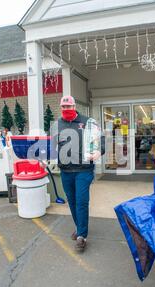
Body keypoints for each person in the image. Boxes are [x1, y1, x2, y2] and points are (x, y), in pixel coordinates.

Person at [52, 95, 102, 252]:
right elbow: (52, 145)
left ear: (74, 107)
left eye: (69, 106)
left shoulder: (88, 122)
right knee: (72, 201)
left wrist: (98, 153)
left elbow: (101, 142)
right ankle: (79, 227)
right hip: (66, 170)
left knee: (81, 201)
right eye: (63, 107)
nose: (66, 109)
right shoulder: (56, 124)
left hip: (84, 170)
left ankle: (82, 236)